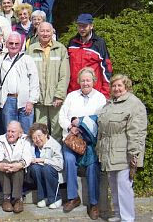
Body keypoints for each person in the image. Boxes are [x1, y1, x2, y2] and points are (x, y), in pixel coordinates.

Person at [97, 74, 148, 222]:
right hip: (109, 153)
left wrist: (134, 153)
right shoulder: (110, 103)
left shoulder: (134, 104)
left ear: (126, 86)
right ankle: (119, 214)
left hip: (125, 153)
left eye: (120, 85)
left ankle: (127, 218)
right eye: (114, 86)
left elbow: (136, 131)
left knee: (124, 187)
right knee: (113, 185)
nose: (116, 88)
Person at [59, 67, 107, 220]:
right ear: (79, 81)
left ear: (93, 81)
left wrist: (84, 124)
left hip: (90, 142)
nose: (85, 83)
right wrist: (71, 127)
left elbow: (101, 119)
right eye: (82, 80)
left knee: (93, 165)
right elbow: (62, 116)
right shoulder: (71, 96)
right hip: (73, 140)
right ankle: (73, 197)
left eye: (88, 80)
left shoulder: (100, 98)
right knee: (69, 159)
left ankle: (93, 203)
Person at [27, 22, 70, 142]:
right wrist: (32, 97)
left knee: (57, 129)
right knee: (40, 130)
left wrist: (59, 95)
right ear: (38, 32)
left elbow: (65, 75)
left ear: (52, 32)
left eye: (47, 31)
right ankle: (42, 155)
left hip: (55, 98)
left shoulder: (60, 49)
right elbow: (27, 75)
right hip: (39, 98)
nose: (45, 34)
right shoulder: (31, 49)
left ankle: (56, 156)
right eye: (42, 31)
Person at [0, 32, 39, 134]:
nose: (14, 46)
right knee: (10, 131)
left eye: (17, 43)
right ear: (6, 44)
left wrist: (31, 101)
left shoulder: (27, 59)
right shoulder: (1, 60)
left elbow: (34, 81)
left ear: (21, 44)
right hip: (8, 100)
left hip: (25, 100)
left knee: (26, 132)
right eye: (11, 43)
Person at [67, 13, 113, 99]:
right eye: (79, 26)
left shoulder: (99, 43)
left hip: (94, 92)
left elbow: (107, 69)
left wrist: (106, 93)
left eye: (84, 26)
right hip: (74, 91)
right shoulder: (72, 42)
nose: (82, 29)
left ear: (91, 26)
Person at [0, 121, 32, 213]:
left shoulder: (26, 140)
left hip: (20, 173)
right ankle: (6, 199)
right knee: (3, 162)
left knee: (19, 165)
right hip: (5, 171)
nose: (10, 134)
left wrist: (19, 165)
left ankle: (17, 199)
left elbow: (27, 156)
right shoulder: (1, 139)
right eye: (8, 131)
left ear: (20, 133)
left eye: (13, 132)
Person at [27, 122, 63, 209]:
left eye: (39, 136)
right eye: (34, 138)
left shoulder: (54, 145)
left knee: (46, 169)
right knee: (35, 169)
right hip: (39, 172)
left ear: (46, 134)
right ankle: (43, 197)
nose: (37, 139)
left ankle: (55, 198)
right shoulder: (32, 146)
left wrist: (44, 160)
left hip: (53, 173)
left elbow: (60, 165)